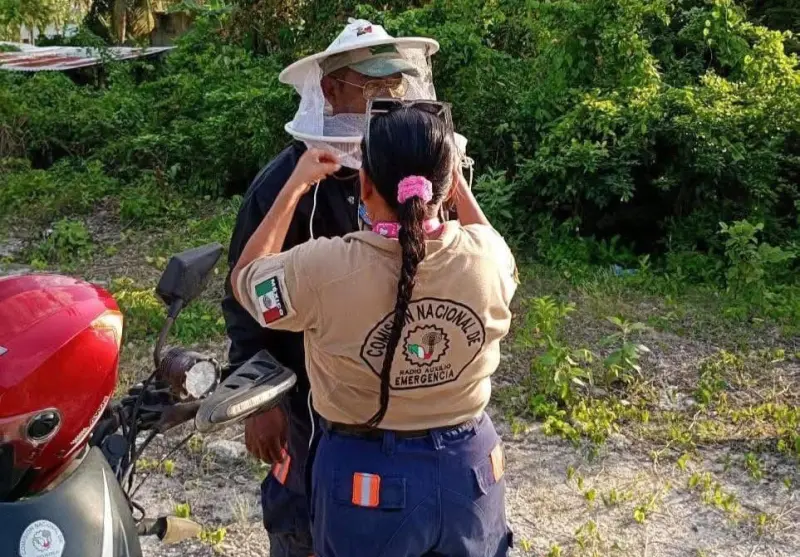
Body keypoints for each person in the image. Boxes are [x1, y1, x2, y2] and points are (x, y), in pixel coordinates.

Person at [230, 100, 518, 556]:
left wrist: (295, 186)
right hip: (471, 471)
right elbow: (494, 245)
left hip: (368, 481)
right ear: (445, 189)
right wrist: (457, 185)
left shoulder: (326, 268)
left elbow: (247, 283)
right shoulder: (488, 258)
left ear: (363, 184)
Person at [221, 19, 448, 557]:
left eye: (393, 87)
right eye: (370, 86)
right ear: (329, 90)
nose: (385, 99)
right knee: (301, 518)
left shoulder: (409, 173)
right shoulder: (283, 185)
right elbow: (244, 295)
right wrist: (259, 399)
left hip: (394, 407)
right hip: (303, 399)